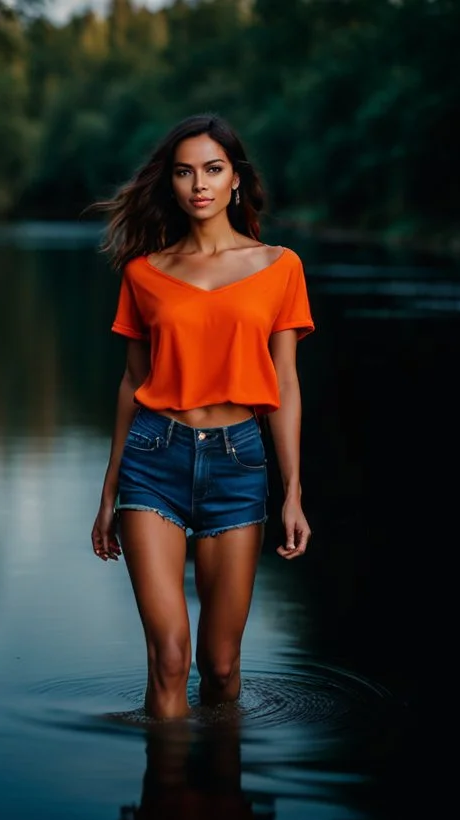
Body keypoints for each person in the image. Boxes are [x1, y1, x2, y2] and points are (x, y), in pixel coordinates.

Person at [89, 113, 314, 720]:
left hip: (239, 463)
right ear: (171, 183)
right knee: (168, 656)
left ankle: (218, 796)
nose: (199, 185)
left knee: (219, 665)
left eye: (213, 170)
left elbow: (286, 383)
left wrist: (291, 493)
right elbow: (133, 382)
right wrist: (109, 492)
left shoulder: (280, 266)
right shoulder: (145, 272)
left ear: (235, 180)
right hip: (152, 459)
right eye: (185, 172)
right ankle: (165, 798)